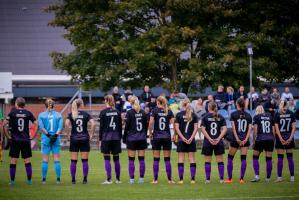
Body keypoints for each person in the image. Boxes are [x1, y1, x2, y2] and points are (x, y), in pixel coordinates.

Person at [2, 97, 38, 185]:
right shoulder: (28, 113)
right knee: (27, 160)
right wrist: (33, 136)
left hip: (15, 140)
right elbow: (37, 124)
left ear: (16, 104)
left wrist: (8, 136)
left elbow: (4, 124)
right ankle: (29, 181)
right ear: (24, 105)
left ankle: (12, 181)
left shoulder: (12, 113)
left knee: (13, 160)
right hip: (25, 140)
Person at [65, 99, 96, 184]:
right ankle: (85, 179)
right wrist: (91, 135)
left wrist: (68, 135)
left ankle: (73, 179)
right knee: (85, 160)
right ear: (81, 105)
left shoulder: (71, 114)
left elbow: (66, 124)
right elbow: (93, 124)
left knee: (73, 161)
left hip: (74, 138)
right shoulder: (86, 114)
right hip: (84, 138)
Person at [148, 95, 175, 184]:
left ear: (157, 102)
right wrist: (174, 134)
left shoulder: (154, 110)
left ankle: (155, 180)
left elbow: (151, 122)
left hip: (157, 137)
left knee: (156, 159)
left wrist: (150, 132)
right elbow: (174, 124)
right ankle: (170, 180)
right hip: (167, 137)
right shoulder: (169, 111)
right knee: (167, 159)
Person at [225, 98, 252, 184]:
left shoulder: (233, 114)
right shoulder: (248, 115)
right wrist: (245, 139)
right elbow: (249, 129)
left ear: (237, 104)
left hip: (235, 139)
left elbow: (233, 128)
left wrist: (237, 139)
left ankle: (229, 179)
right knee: (243, 158)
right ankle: (241, 179)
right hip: (245, 140)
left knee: (230, 158)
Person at [123, 96, 148, 184]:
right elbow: (146, 126)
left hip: (132, 138)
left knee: (131, 160)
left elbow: (127, 127)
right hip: (141, 138)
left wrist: (124, 137)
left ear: (131, 103)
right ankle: (141, 179)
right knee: (141, 159)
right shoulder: (143, 112)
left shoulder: (129, 113)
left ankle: (132, 179)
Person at [38, 98, 63, 184]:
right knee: (56, 159)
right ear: (54, 105)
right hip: (56, 140)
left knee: (45, 160)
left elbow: (42, 128)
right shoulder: (59, 115)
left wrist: (49, 136)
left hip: (46, 139)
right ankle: (58, 179)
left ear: (45, 105)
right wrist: (55, 136)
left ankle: (44, 179)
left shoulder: (41, 115)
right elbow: (60, 128)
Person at [201, 102, 227, 184]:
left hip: (208, 142)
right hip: (218, 141)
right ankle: (222, 179)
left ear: (208, 108)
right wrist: (219, 138)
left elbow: (203, 129)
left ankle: (208, 179)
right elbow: (225, 129)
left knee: (207, 161)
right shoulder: (221, 117)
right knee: (220, 160)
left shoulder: (205, 117)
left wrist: (209, 138)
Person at [99, 95, 122, 184]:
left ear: (106, 101)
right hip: (116, 138)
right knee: (116, 158)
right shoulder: (117, 112)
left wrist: (100, 139)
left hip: (106, 138)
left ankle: (108, 179)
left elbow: (101, 127)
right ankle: (118, 179)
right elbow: (120, 126)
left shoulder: (103, 112)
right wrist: (119, 137)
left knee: (107, 158)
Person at [175, 99, 198, 184]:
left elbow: (177, 128)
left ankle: (181, 180)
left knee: (181, 159)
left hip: (181, 140)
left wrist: (182, 138)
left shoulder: (178, 115)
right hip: (190, 140)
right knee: (192, 159)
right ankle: (193, 179)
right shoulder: (194, 115)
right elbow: (196, 128)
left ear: (182, 105)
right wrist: (191, 138)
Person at [251, 105, 275, 183]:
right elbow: (273, 130)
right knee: (268, 159)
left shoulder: (256, 117)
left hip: (260, 138)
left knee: (255, 157)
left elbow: (255, 130)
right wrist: (273, 139)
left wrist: (253, 140)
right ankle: (268, 178)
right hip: (270, 139)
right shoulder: (270, 116)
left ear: (257, 110)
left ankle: (257, 176)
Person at [274, 100, 296, 182]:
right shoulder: (291, 113)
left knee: (280, 158)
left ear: (282, 105)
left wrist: (281, 139)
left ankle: (279, 177)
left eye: (280, 103)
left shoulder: (277, 114)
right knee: (290, 157)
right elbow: (294, 127)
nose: (279, 105)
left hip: (281, 139)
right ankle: (292, 177)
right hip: (289, 138)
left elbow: (276, 129)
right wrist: (290, 138)